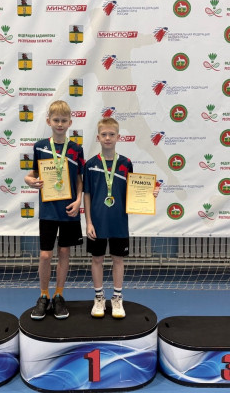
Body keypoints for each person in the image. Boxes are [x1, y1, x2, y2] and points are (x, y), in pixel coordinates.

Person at [83, 117, 160, 318]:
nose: (108, 138)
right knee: (97, 259)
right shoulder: (90, 165)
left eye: (112, 134)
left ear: (118, 137)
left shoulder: (126, 163)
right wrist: (88, 222)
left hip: (118, 222)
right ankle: (99, 298)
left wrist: (149, 194)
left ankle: (117, 298)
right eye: (104, 134)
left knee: (118, 259)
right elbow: (87, 195)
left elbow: (133, 192)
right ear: (98, 137)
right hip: (97, 222)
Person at [24, 100, 84, 320]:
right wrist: (29, 181)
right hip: (48, 210)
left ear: (70, 123)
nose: (60, 124)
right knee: (45, 255)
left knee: (64, 253)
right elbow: (32, 174)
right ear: (48, 121)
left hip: (68, 210)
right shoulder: (40, 146)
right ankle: (43, 296)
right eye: (56, 120)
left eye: (63, 120)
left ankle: (59, 295)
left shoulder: (76, 149)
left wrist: (78, 201)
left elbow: (79, 179)